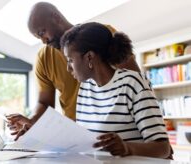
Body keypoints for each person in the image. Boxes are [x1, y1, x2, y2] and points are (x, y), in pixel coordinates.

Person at [7, 2, 140, 140]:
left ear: (56, 17)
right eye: (38, 37)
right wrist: (31, 122)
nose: (43, 41)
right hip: (76, 138)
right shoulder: (44, 57)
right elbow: (44, 103)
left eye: (42, 32)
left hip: (115, 131)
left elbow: (134, 81)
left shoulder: (101, 35)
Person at [59, 22, 172, 158]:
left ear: (89, 57)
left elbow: (163, 148)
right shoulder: (85, 89)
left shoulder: (132, 83)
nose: (68, 68)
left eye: (70, 60)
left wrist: (127, 148)